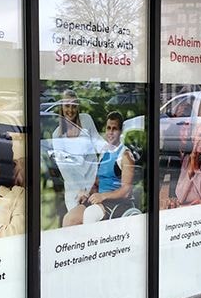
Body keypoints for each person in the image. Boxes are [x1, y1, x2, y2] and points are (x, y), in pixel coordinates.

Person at [63, 111, 136, 225]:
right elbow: (98, 181)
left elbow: (126, 191)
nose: (110, 132)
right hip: (98, 200)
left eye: (114, 129)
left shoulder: (125, 155)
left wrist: (103, 196)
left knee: (90, 215)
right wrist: (87, 193)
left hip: (115, 203)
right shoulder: (104, 152)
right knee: (69, 219)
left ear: (121, 131)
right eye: (108, 128)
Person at [50, 89, 104, 219]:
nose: (70, 110)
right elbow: (65, 169)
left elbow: (98, 143)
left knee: (96, 219)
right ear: (61, 107)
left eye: (74, 106)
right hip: (74, 190)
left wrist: (113, 150)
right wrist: (80, 190)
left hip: (94, 183)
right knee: (76, 222)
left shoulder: (86, 120)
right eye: (67, 106)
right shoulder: (57, 135)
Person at [174, 125, 201, 206]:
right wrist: (190, 170)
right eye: (199, 135)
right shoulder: (187, 159)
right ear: (193, 139)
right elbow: (179, 195)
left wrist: (196, 170)